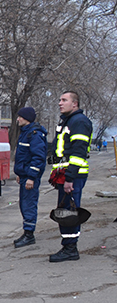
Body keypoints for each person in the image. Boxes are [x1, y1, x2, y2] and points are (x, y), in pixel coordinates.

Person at [48, 91, 92, 263]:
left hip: (73, 175)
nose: (60, 103)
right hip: (65, 174)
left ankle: (70, 248)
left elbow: (78, 153)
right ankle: (68, 246)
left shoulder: (79, 122)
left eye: (64, 100)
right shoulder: (69, 121)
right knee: (66, 211)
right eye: (60, 100)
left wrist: (70, 178)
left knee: (69, 212)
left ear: (75, 104)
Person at [13, 107, 47, 248]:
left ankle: (29, 235)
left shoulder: (34, 134)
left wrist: (31, 177)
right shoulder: (26, 133)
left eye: (20, 117)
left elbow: (38, 158)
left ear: (26, 118)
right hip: (25, 176)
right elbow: (24, 157)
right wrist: (21, 174)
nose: (18, 119)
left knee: (29, 205)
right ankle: (27, 232)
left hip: (30, 177)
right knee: (24, 204)